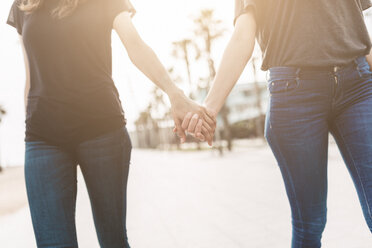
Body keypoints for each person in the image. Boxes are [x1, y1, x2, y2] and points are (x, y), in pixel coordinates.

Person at [6, 0, 215, 247]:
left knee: (113, 240)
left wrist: (174, 94)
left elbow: (135, 45)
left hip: (102, 130)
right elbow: (31, 74)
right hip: (43, 137)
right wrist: (30, 126)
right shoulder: (24, 4)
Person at [182, 0, 372, 247]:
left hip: (357, 84)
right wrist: (209, 108)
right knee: (310, 223)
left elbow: (357, 28)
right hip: (295, 93)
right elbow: (243, 36)